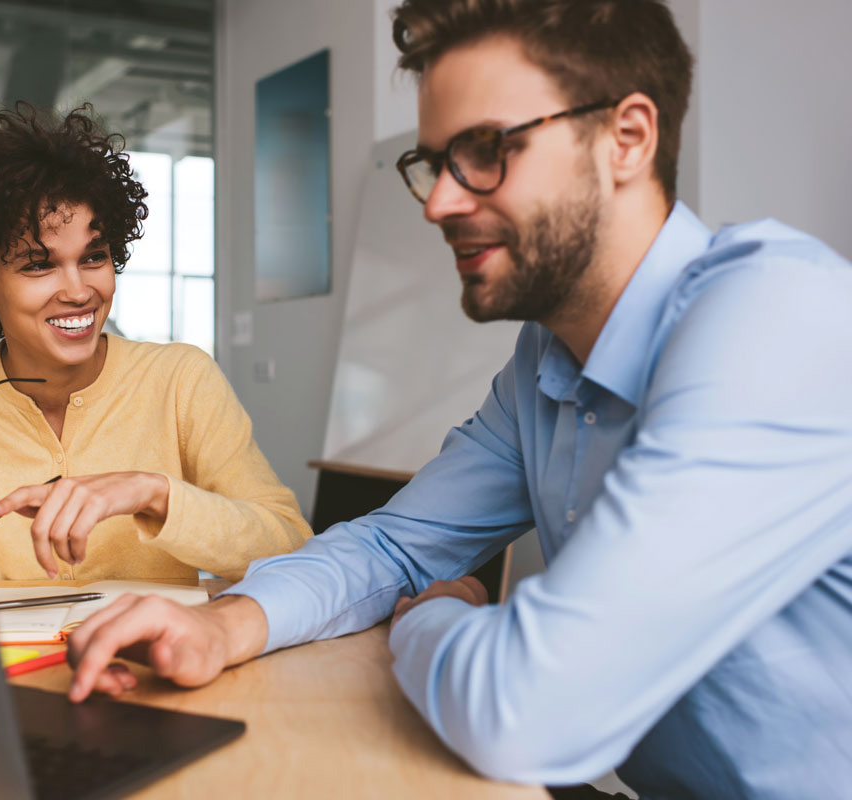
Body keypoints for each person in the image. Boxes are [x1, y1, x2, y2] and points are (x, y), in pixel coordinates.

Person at [60, 1, 852, 797]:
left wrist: (435, 619)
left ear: (627, 138)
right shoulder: (546, 359)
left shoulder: (778, 317)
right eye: (434, 162)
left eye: (484, 150)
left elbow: (526, 711)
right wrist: (223, 625)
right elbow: (393, 547)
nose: (438, 203)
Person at [0, 104, 311, 583]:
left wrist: (155, 494)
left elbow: (291, 547)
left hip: (152, 670)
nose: (78, 290)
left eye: (94, 256)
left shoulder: (180, 379)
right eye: (39, 264)